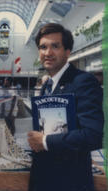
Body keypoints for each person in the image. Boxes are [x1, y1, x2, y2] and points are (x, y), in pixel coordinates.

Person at [27, 23, 104, 191]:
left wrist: (45, 141)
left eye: (55, 46)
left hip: (69, 182)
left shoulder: (83, 82)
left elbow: (93, 135)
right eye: (43, 47)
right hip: (44, 179)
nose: (48, 52)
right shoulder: (48, 85)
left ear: (67, 52)